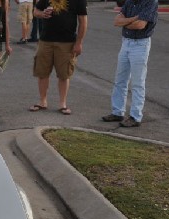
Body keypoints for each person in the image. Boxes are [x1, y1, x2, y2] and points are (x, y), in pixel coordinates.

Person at [101, 0, 158, 128]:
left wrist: (125, 22)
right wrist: (134, 18)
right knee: (120, 80)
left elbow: (140, 25)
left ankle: (135, 116)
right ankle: (117, 112)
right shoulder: (129, 2)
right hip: (126, 42)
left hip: (140, 44)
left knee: (138, 82)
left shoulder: (150, 2)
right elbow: (116, 21)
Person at [29, 0, 87, 115]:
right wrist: (42, 14)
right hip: (45, 40)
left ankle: (62, 104)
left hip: (67, 42)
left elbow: (83, 21)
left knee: (64, 74)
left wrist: (79, 43)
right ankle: (42, 102)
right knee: (42, 72)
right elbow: (35, 11)